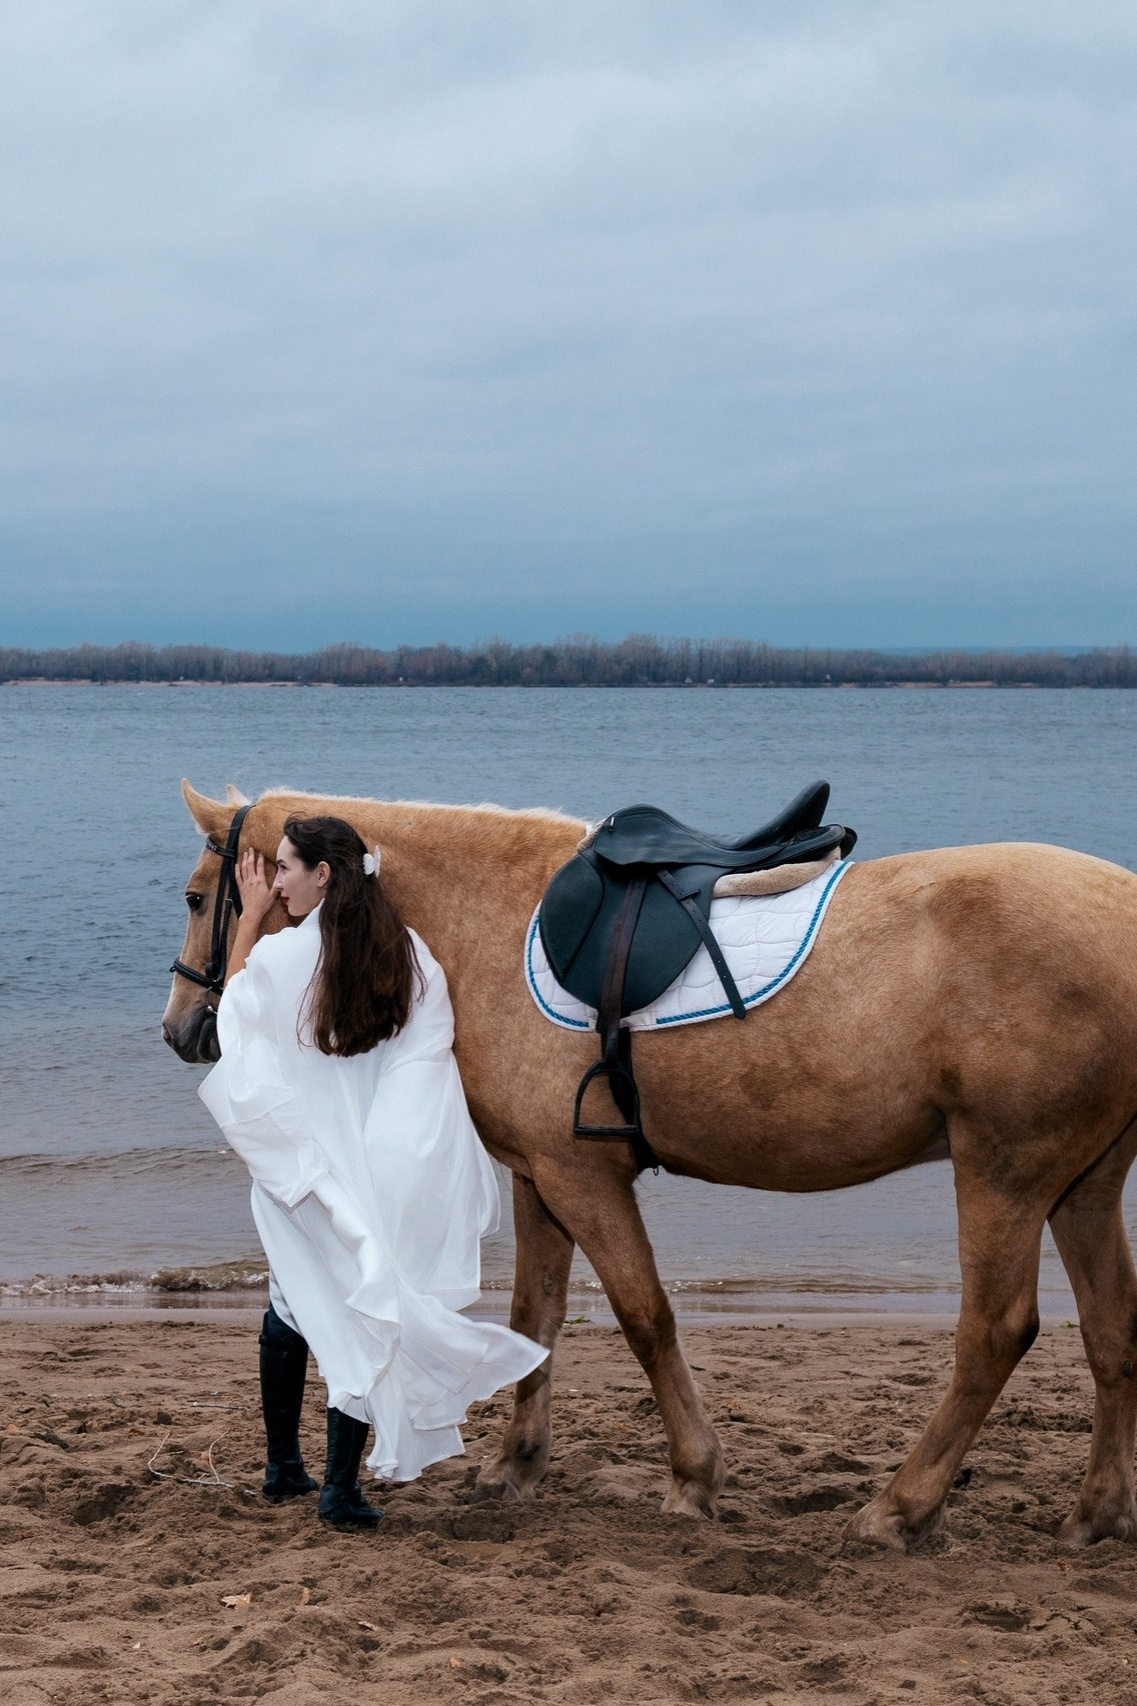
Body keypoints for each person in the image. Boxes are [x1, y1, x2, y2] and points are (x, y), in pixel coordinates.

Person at [198, 814, 547, 1531]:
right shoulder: (410, 957)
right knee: (355, 1312)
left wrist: (249, 919)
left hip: (303, 1173)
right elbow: (426, 1062)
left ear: (323, 874)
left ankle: (295, 1474)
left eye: (287, 868)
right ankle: (323, 1483)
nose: (279, 882)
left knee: (293, 1303)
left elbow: (234, 1019)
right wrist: (396, 1165)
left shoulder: (282, 954)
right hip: (373, 1171)